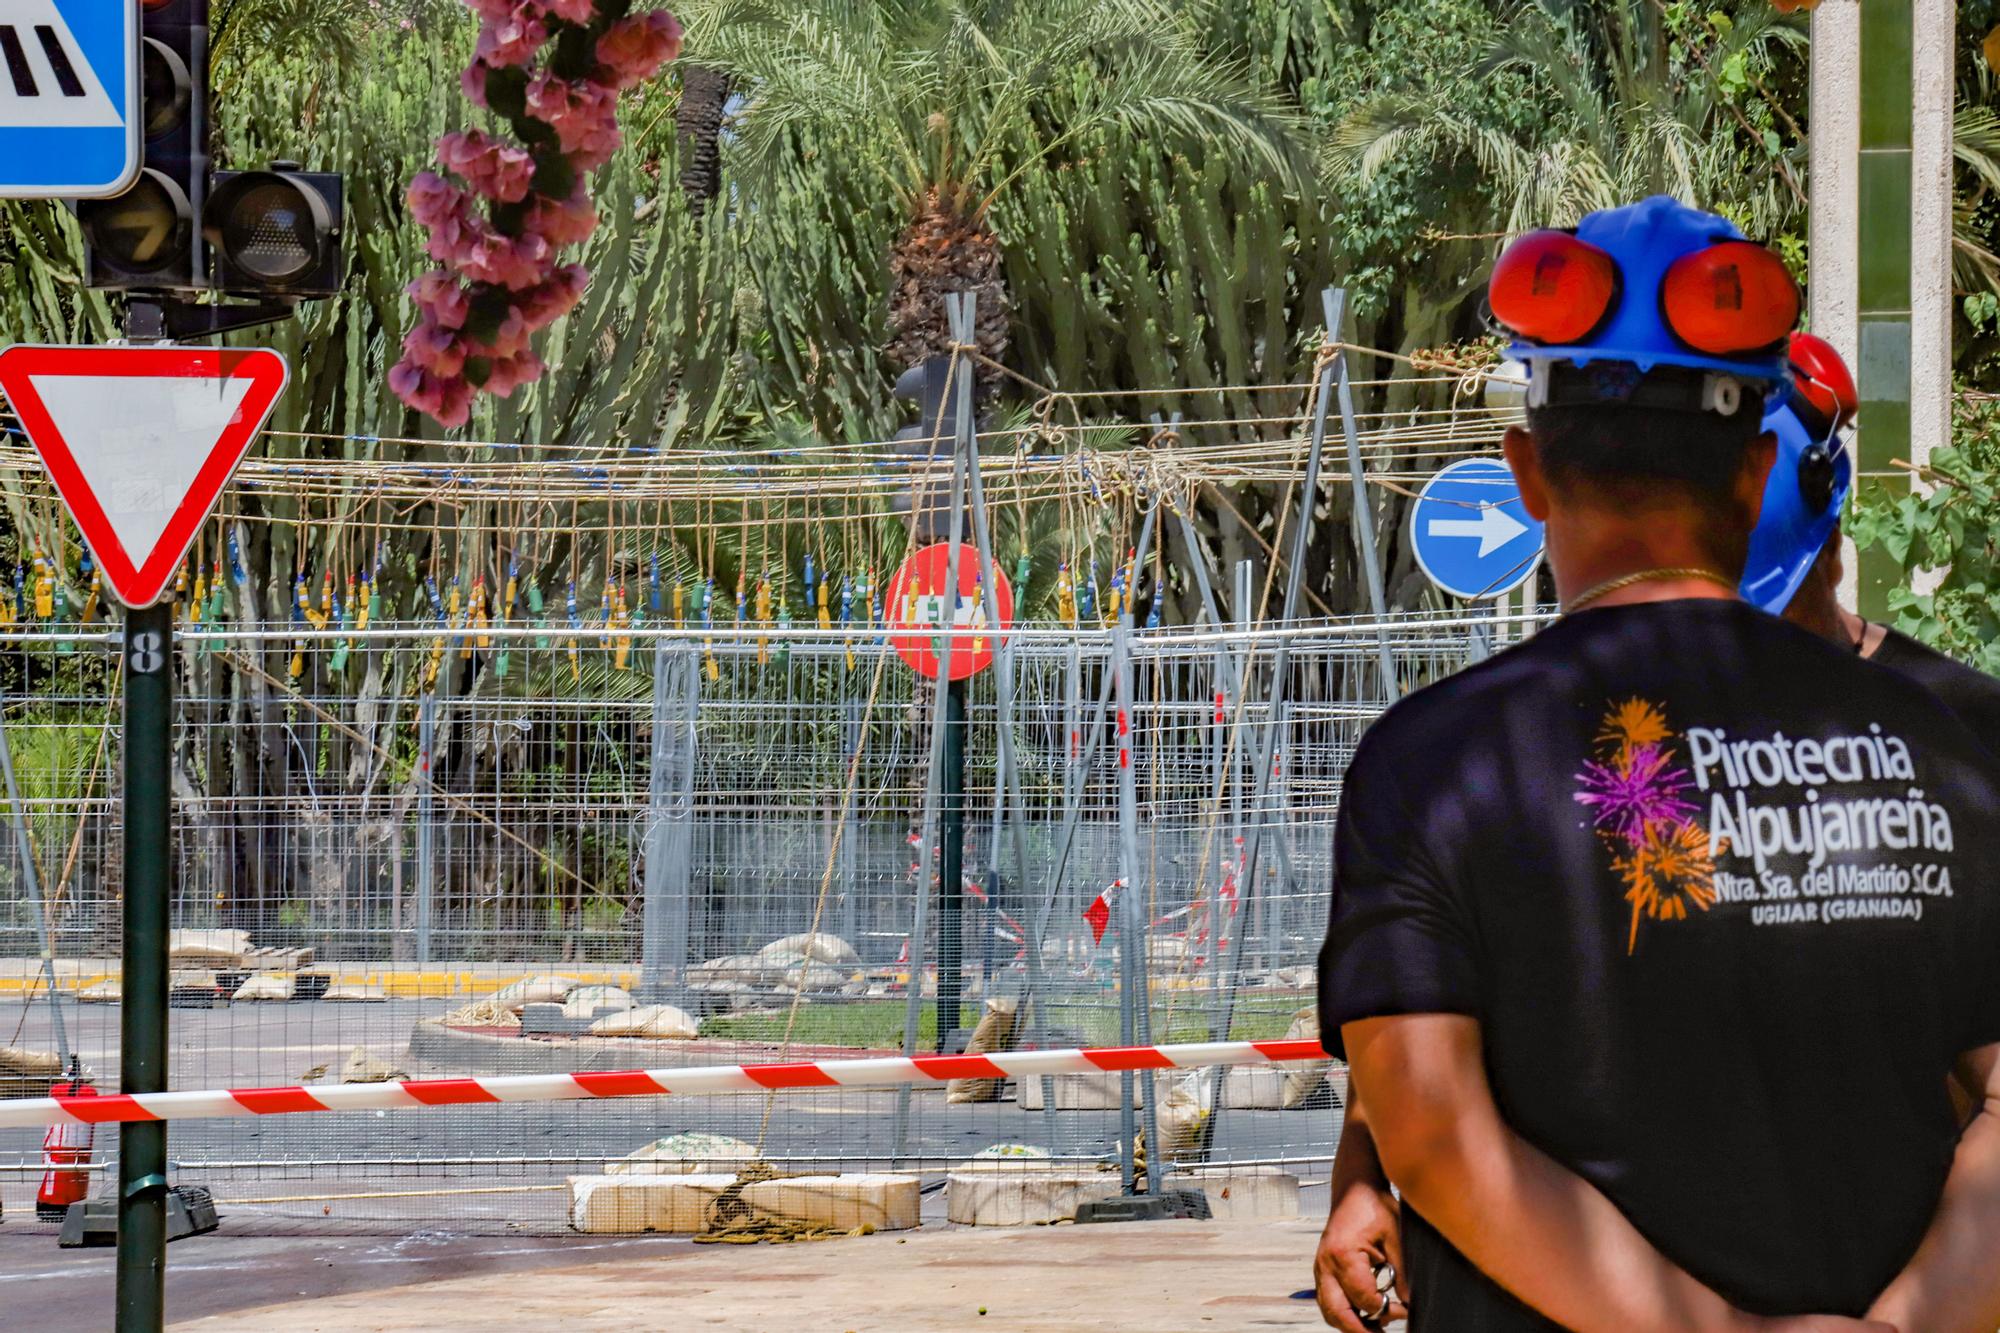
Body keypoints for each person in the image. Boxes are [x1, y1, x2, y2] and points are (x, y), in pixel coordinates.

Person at [1313, 195, 2000, 1332]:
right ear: (1749, 474)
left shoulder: (1433, 767)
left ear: (1525, 474)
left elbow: (1430, 1137)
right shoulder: (1935, 746)